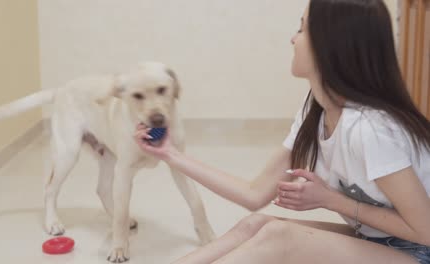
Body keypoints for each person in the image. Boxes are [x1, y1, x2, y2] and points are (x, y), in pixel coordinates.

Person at [134, 0, 430, 263]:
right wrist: (169, 154)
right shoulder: (316, 108)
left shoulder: (370, 129)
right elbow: (253, 194)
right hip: (379, 243)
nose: (292, 39)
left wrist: (331, 200)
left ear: (329, 45)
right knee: (255, 226)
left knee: (280, 237)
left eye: (301, 29)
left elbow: (425, 230)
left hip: (419, 251)